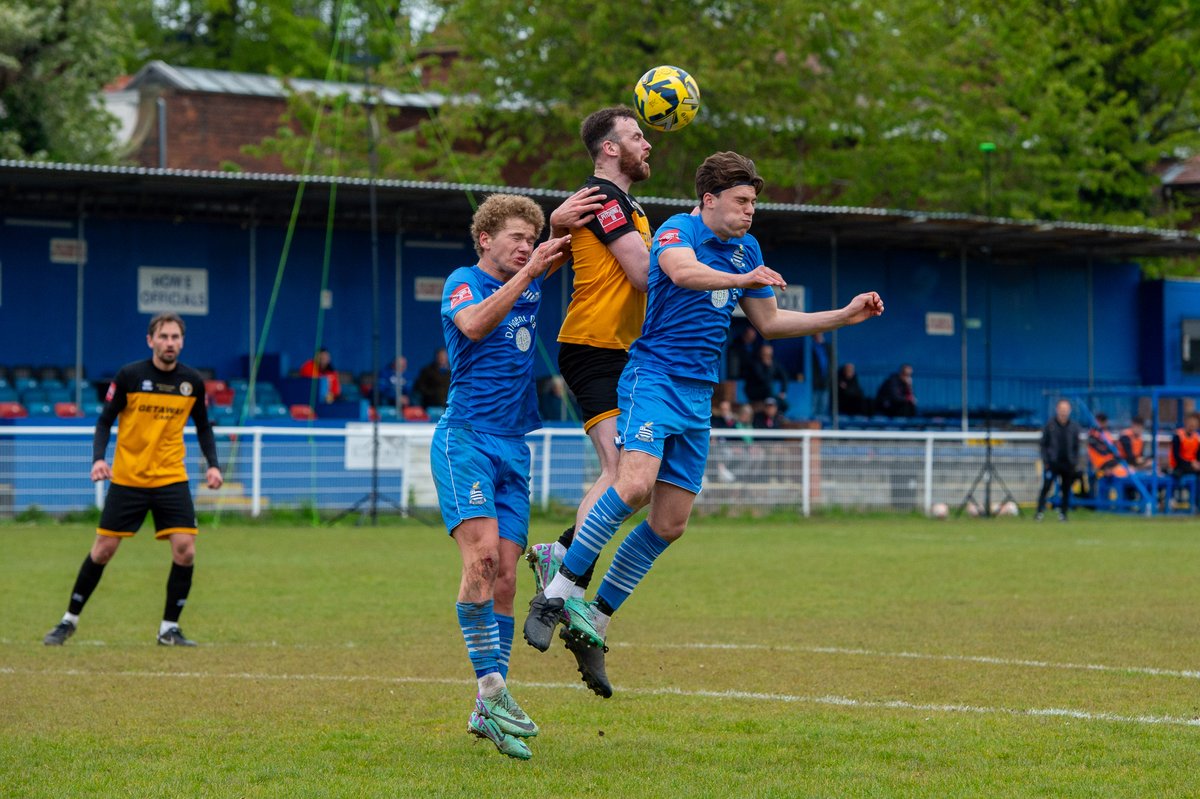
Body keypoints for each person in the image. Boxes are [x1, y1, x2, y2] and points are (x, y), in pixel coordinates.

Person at [523, 151, 884, 694]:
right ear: (709, 199)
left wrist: (844, 316)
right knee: (634, 483)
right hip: (653, 378)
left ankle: (594, 621)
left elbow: (770, 321)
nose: (749, 212)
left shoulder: (747, 249)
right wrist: (741, 273)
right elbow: (677, 272)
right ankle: (556, 593)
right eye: (741, 202)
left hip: (697, 396)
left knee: (670, 524)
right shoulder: (677, 230)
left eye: (754, 203)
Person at [429, 193, 571, 760]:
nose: (525, 246)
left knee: (507, 577)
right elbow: (474, 325)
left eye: (530, 238)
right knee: (483, 558)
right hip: (465, 438)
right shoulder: (462, 281)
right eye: (515, 236)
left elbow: (574, 241)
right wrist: (530, 270)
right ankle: (490, 693)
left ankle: (493, 704)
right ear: (485, 238)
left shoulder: (533, 267)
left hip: (516, 445)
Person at [524, 105, 653, 699]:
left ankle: (561, 555)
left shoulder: (628, 206)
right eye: (635, 135)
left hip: (620, 352)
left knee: (627, 478)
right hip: (594, 347)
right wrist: (711, 265)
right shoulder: (601, 199)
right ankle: (565, 571)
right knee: (624, 475)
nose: (647, 143)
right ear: (607, 148)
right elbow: (645, 275)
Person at [43, 312, 223, 647]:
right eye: (164, 336)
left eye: (175, 337)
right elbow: (104, 421)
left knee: (185, 550)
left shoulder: (192, 382)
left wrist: (213, 465)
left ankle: (169, 629)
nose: (170, 343)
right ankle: (68, 621)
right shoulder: (129, 375)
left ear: (182, 341)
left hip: (171, 477)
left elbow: (202, 427)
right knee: (103, 550)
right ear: (150, 340)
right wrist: (99, 459)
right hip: (129, 479)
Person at [1035, 399, 1082, 521]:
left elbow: (1076, 446)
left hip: (1067, 463)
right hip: (1052, 463)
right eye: (1062, 409)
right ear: (1057, 410)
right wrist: (1046, 461)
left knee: (1066, 489)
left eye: (1066, 410)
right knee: (1046, 487)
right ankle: (1039, 512)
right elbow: (1043, 445)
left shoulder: (1073, 427)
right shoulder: (1050, 425)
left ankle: (1063, 513)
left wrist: (1074, 460)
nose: (1063, 412)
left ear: (1069, 411)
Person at [743, 343, 790, 411]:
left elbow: (784, 376)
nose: (767, 357)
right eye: (765, 354)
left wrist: (783, 391)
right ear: (760, 353)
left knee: (784, 405)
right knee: (769, 388)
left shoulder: (773, 362)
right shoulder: (755, 363)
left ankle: (776, 417)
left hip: (768, 393)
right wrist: (768, 368)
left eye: (769, 355)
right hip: (754, 392)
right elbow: (764, 379)